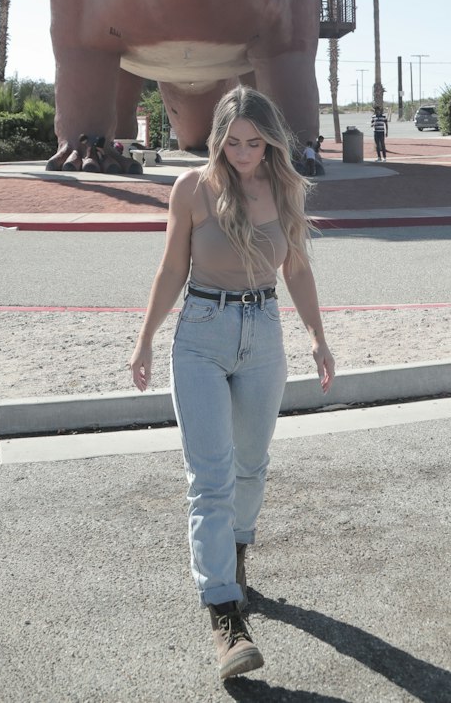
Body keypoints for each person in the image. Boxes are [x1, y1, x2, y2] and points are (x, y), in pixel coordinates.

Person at [129, 86, 335, 683]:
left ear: (271, 139)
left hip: (263, 333)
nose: (243, 152)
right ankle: (225, 613)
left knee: (251, 464)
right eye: (232, 141)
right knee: (211, 477)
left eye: (255, 141)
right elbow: (171, 267)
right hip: (199, 333)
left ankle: (236, 551)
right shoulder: (192, 189)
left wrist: (318, 338)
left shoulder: (287, 188)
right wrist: (144, 340)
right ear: (217, 138)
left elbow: (296, 268)